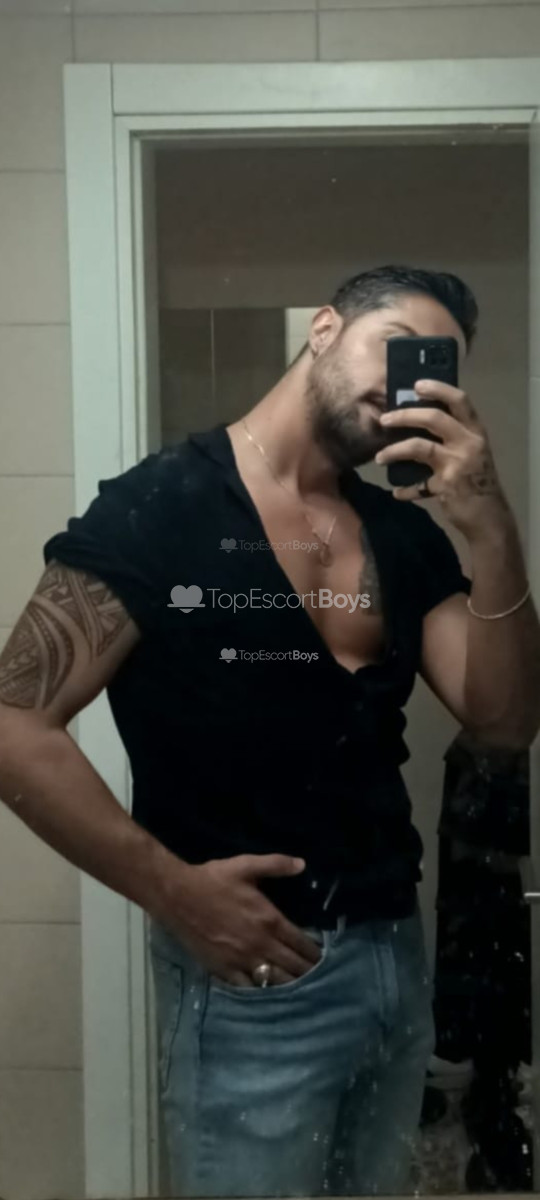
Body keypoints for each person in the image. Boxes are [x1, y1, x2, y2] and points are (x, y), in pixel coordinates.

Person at [0, 265, 538, 1198]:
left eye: (435, 368)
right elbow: (14, 722)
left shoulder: (404, 536)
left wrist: (489, 524)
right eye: (398, 346)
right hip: (255, 978)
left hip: (392, 960)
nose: (407, 386)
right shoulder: (161, 507)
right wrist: (173, 891)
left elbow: (505, 720)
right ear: (324, 328)